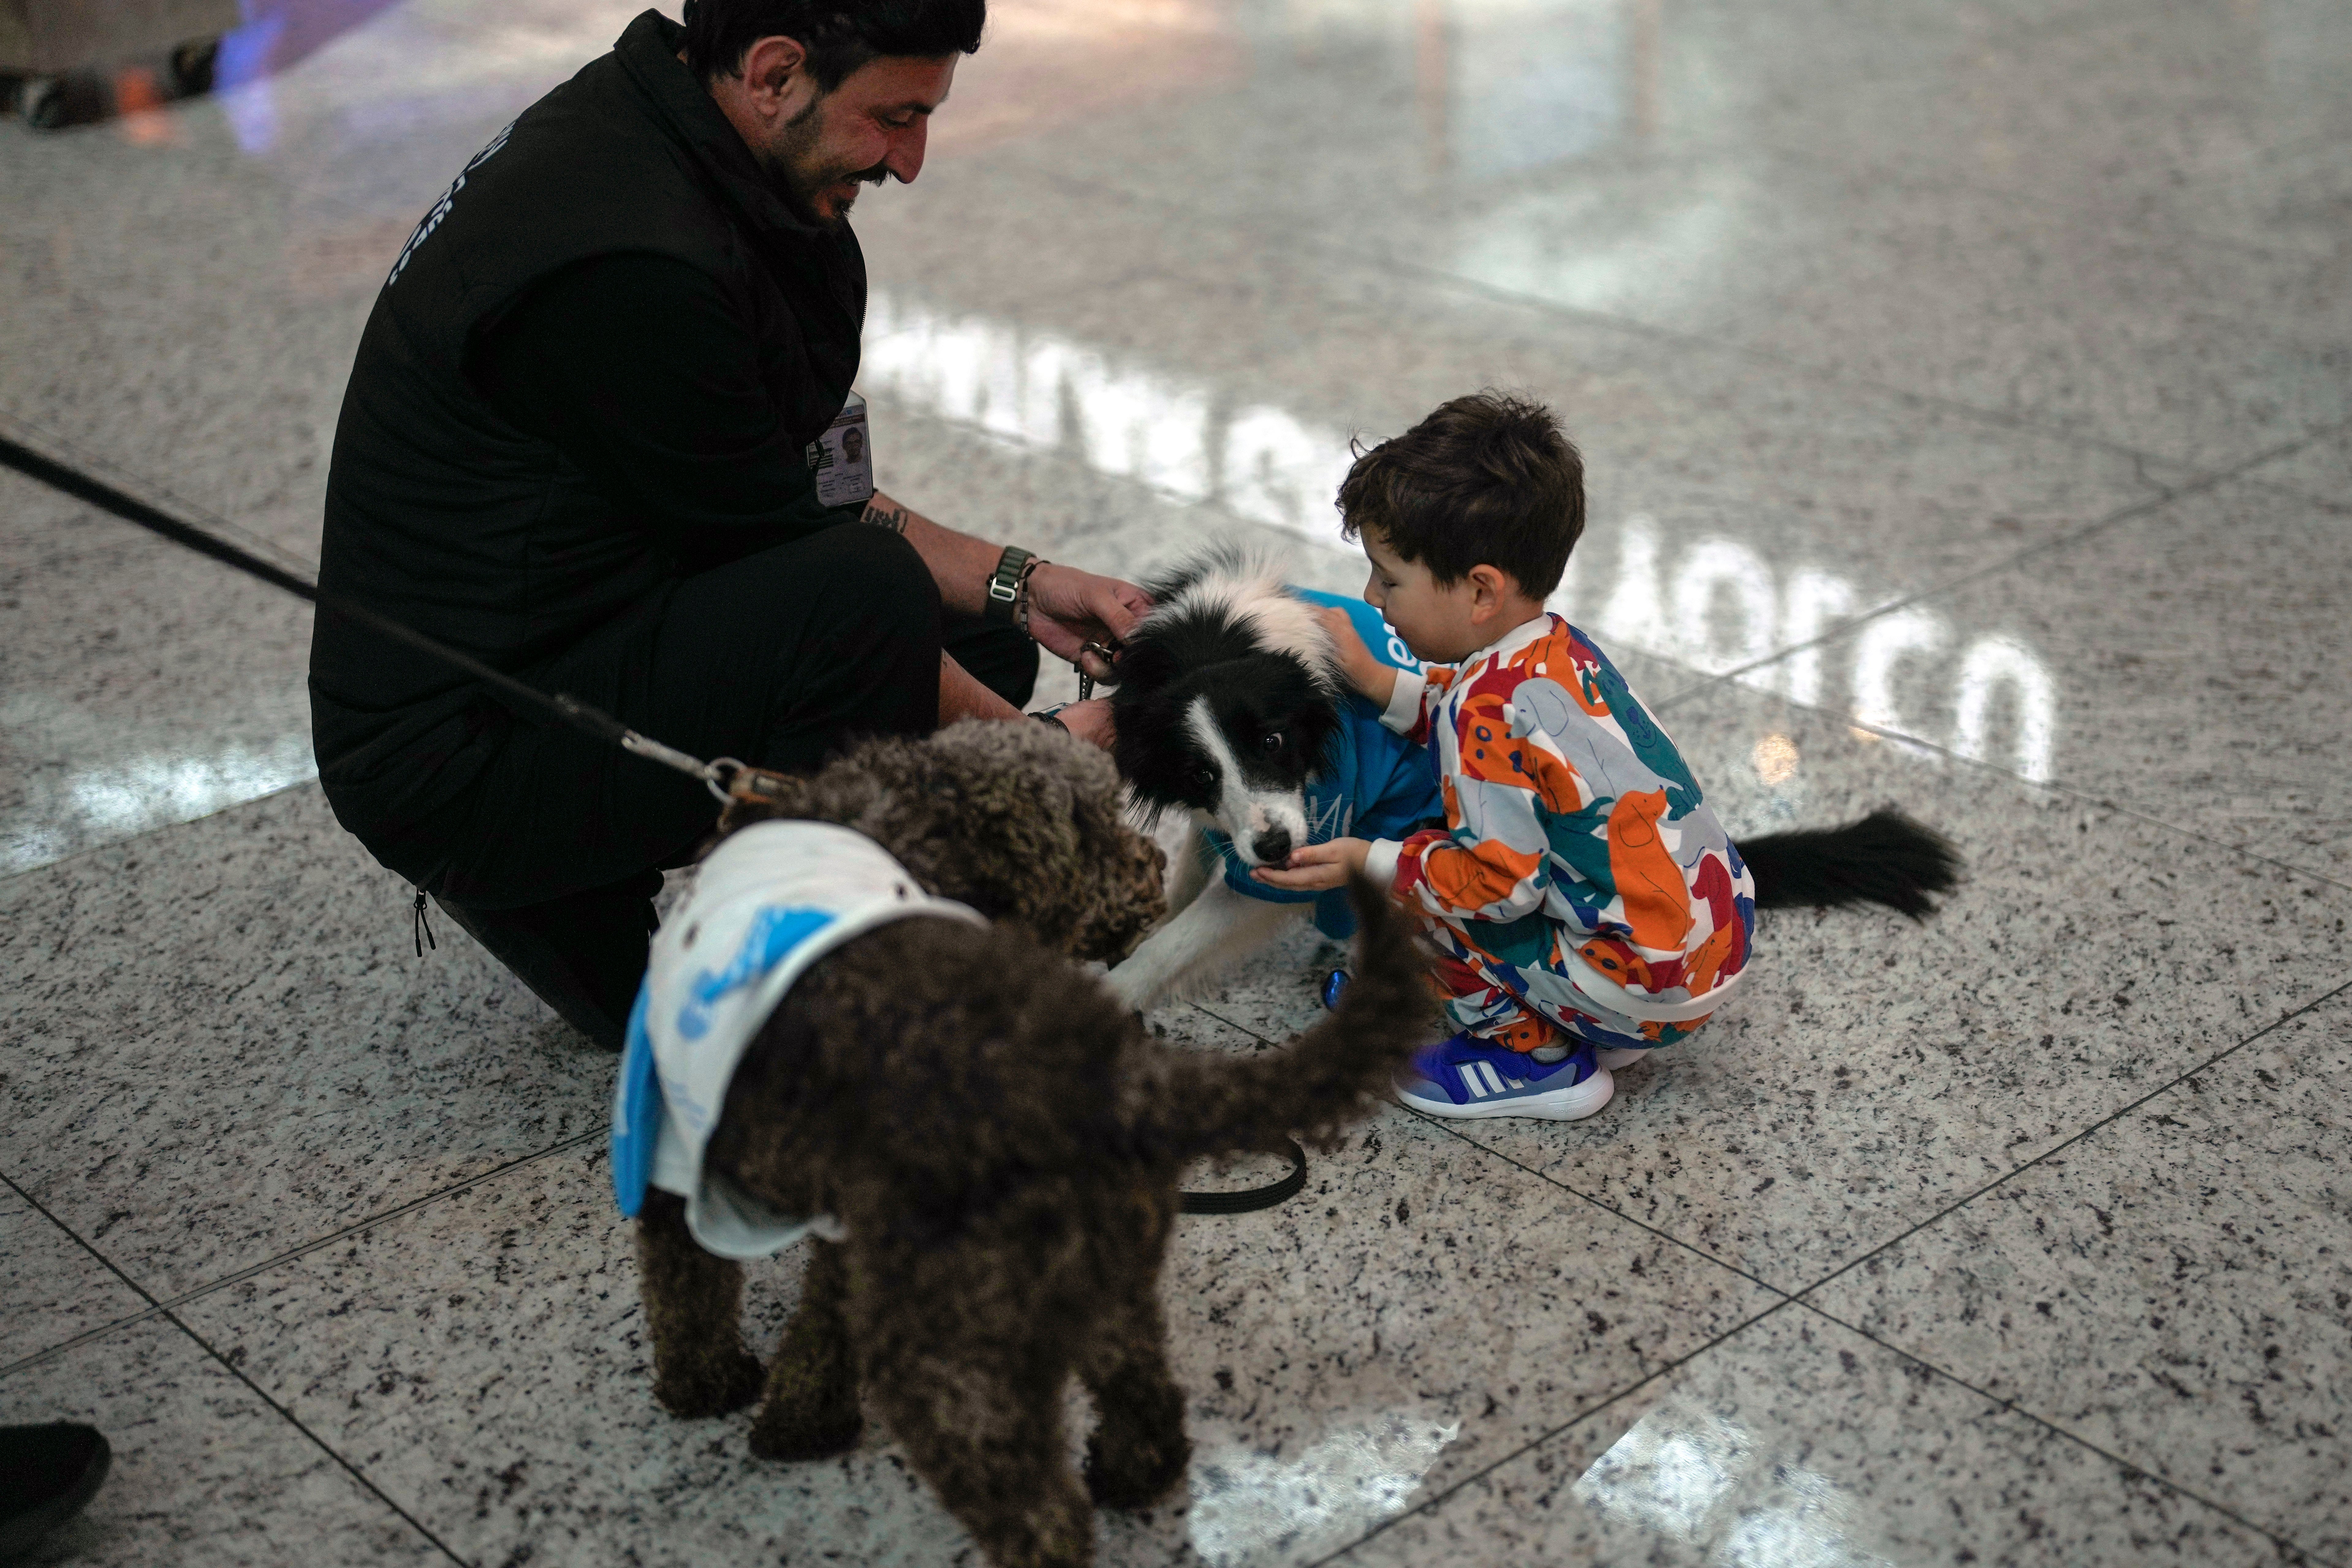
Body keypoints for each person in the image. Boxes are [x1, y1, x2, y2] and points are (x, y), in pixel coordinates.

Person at [308, 0, 1148, 1050]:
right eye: (894, 116)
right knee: (874, 610)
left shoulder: (674, 131)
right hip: (465, 751)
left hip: (573, 621)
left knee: (968, 636)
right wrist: (1033, 760)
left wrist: (1026, 583)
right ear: (773, 74)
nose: (912, 159)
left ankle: (641, 878)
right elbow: (810, 564)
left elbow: (784, 488)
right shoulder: (628, 263)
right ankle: (638, 894)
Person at [1251, 393, 1755, 1122]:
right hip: (1706, 950)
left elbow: (1497, 889)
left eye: (1388, 578)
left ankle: (1532, 1059)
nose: (1373, 597)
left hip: (1643, 988)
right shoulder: (1556, 651)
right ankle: (1589, 1013)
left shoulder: (1479, 705)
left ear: (1481, 590)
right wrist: (1381, 681)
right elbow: (1484, 728)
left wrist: (1369, 860)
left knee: (1420, 877)